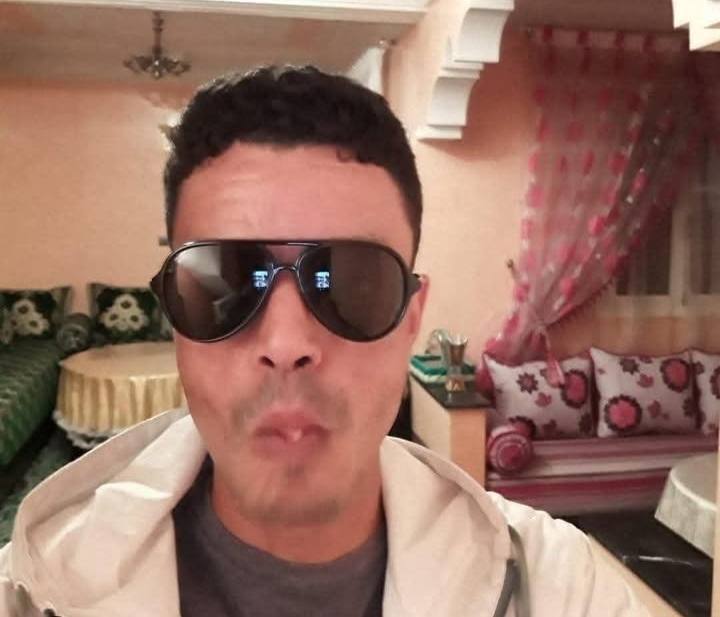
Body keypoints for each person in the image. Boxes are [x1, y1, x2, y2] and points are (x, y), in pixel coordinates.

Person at [0, 66, 649, 617]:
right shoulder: (30, 591)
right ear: (175, 315)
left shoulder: (557, 586)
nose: (286, 342)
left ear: (411, 317)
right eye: (224, 281)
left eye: (351, 282)